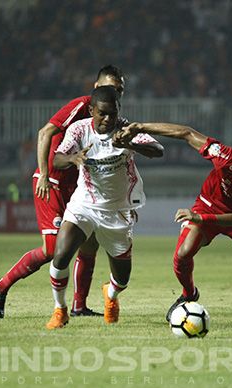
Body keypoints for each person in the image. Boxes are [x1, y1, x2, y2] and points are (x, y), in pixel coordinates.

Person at [0, 65, 126, 319]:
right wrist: (43, 173)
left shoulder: (111, 116)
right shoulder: (82, 106)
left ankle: (79, 306)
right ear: (96, 88)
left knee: (89, 244)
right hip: (51, 181)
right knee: (53, 249)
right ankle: (1, 285)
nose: (115, 93)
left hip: (78, 186)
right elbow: (45, 132)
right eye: (109, 88)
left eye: (119, 90)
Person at [118, 121, 232, 328]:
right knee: (183, 253)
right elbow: (187, 133)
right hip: (209, 208)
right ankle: (189, 293)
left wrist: (200, 219)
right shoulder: (227, 157)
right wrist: (140, 127)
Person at [44, 85, 163, 329]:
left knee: (122, 278)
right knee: (60, 256)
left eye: (113, 113)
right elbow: (56, 158)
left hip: (117, 210)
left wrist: (131, 144)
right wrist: (73, 158)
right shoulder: (79, 130)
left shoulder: (126, 128)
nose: (109, 119)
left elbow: (158, 151)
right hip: (84, 205)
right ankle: (60, 310)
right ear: (91, 111)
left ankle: (111, 296)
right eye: (103, 113)